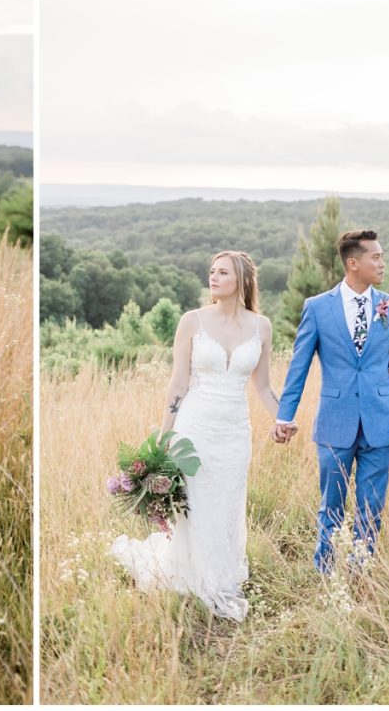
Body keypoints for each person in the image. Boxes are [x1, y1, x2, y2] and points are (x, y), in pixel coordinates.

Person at [111, 251, 292, 621]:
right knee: (196, 501)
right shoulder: (192, 322)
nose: (213, 277)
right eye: (211, 271)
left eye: (222, 272)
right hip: (195, 426)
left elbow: (263, 387)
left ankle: (221, 574)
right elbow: (179, 381)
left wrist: (284, 418)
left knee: (226, 501)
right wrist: (165, 434)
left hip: (234, 430)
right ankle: (194, 575)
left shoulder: (262, 327)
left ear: (241, 280)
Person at [273, 229, 389, 574]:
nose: (382, 263)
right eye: (376, 257)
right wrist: (283, 416)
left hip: (382, 420)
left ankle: (360, 570)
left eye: (382, 256)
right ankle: (325, 569)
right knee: (331, 503)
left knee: (371, 506)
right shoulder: (317, 308)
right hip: (335, 421)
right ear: (353, 263)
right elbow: (300, 365)